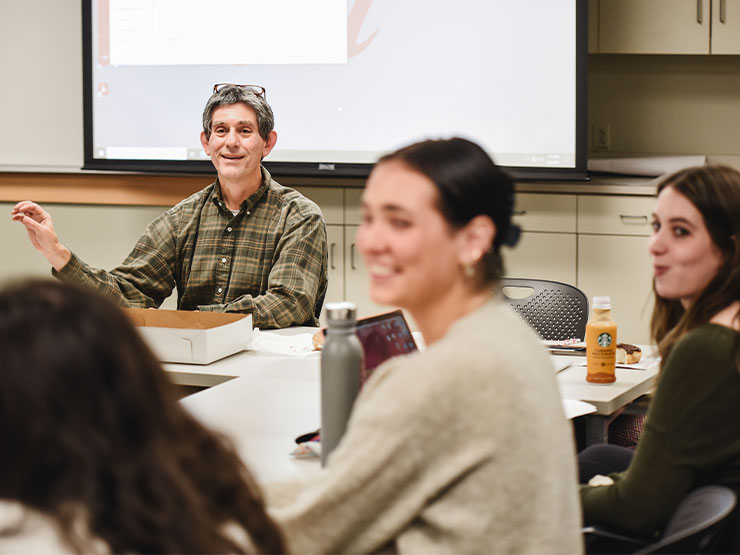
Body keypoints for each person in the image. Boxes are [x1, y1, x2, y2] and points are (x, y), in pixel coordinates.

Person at [267, 138, 582, 553]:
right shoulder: (513, 337)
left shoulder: (438, 378)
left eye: (399, 223)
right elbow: (337, 499)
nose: (369, 242)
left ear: (473, 239)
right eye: (369, 219)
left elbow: (307, 531)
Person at [0, 279, 285, 554]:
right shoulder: (205, 496)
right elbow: (130, 286)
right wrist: (64, 258)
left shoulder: (30, 536)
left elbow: (289, 300)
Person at [11, 84, 328, 329]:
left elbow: (290, 303)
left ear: (267, 143)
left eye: (245, 131)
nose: (231, 142)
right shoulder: (181, 219)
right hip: (198, 363)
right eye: (221, 131)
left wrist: (194, 321)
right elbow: (129, 293)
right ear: (206, 143)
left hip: (271, 369)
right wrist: (59, 254)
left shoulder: (299, 216)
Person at [579, 165, 740, 542]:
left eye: (680, 231)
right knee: (598, 457)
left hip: (704, 531)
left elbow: (636, 508)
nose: (655, 245)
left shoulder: (707, 349)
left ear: (731, 247)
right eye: (656, 227)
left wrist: (550, 497)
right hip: (709, 497)